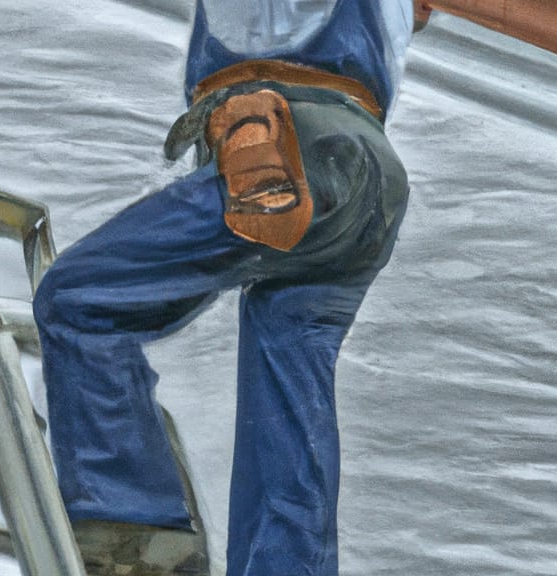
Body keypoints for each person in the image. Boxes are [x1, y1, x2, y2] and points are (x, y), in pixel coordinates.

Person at [33, 1, 414, 574]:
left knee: (78, 298)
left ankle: (133, 532)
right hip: (367, 184)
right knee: (286, 376)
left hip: (293, 159)